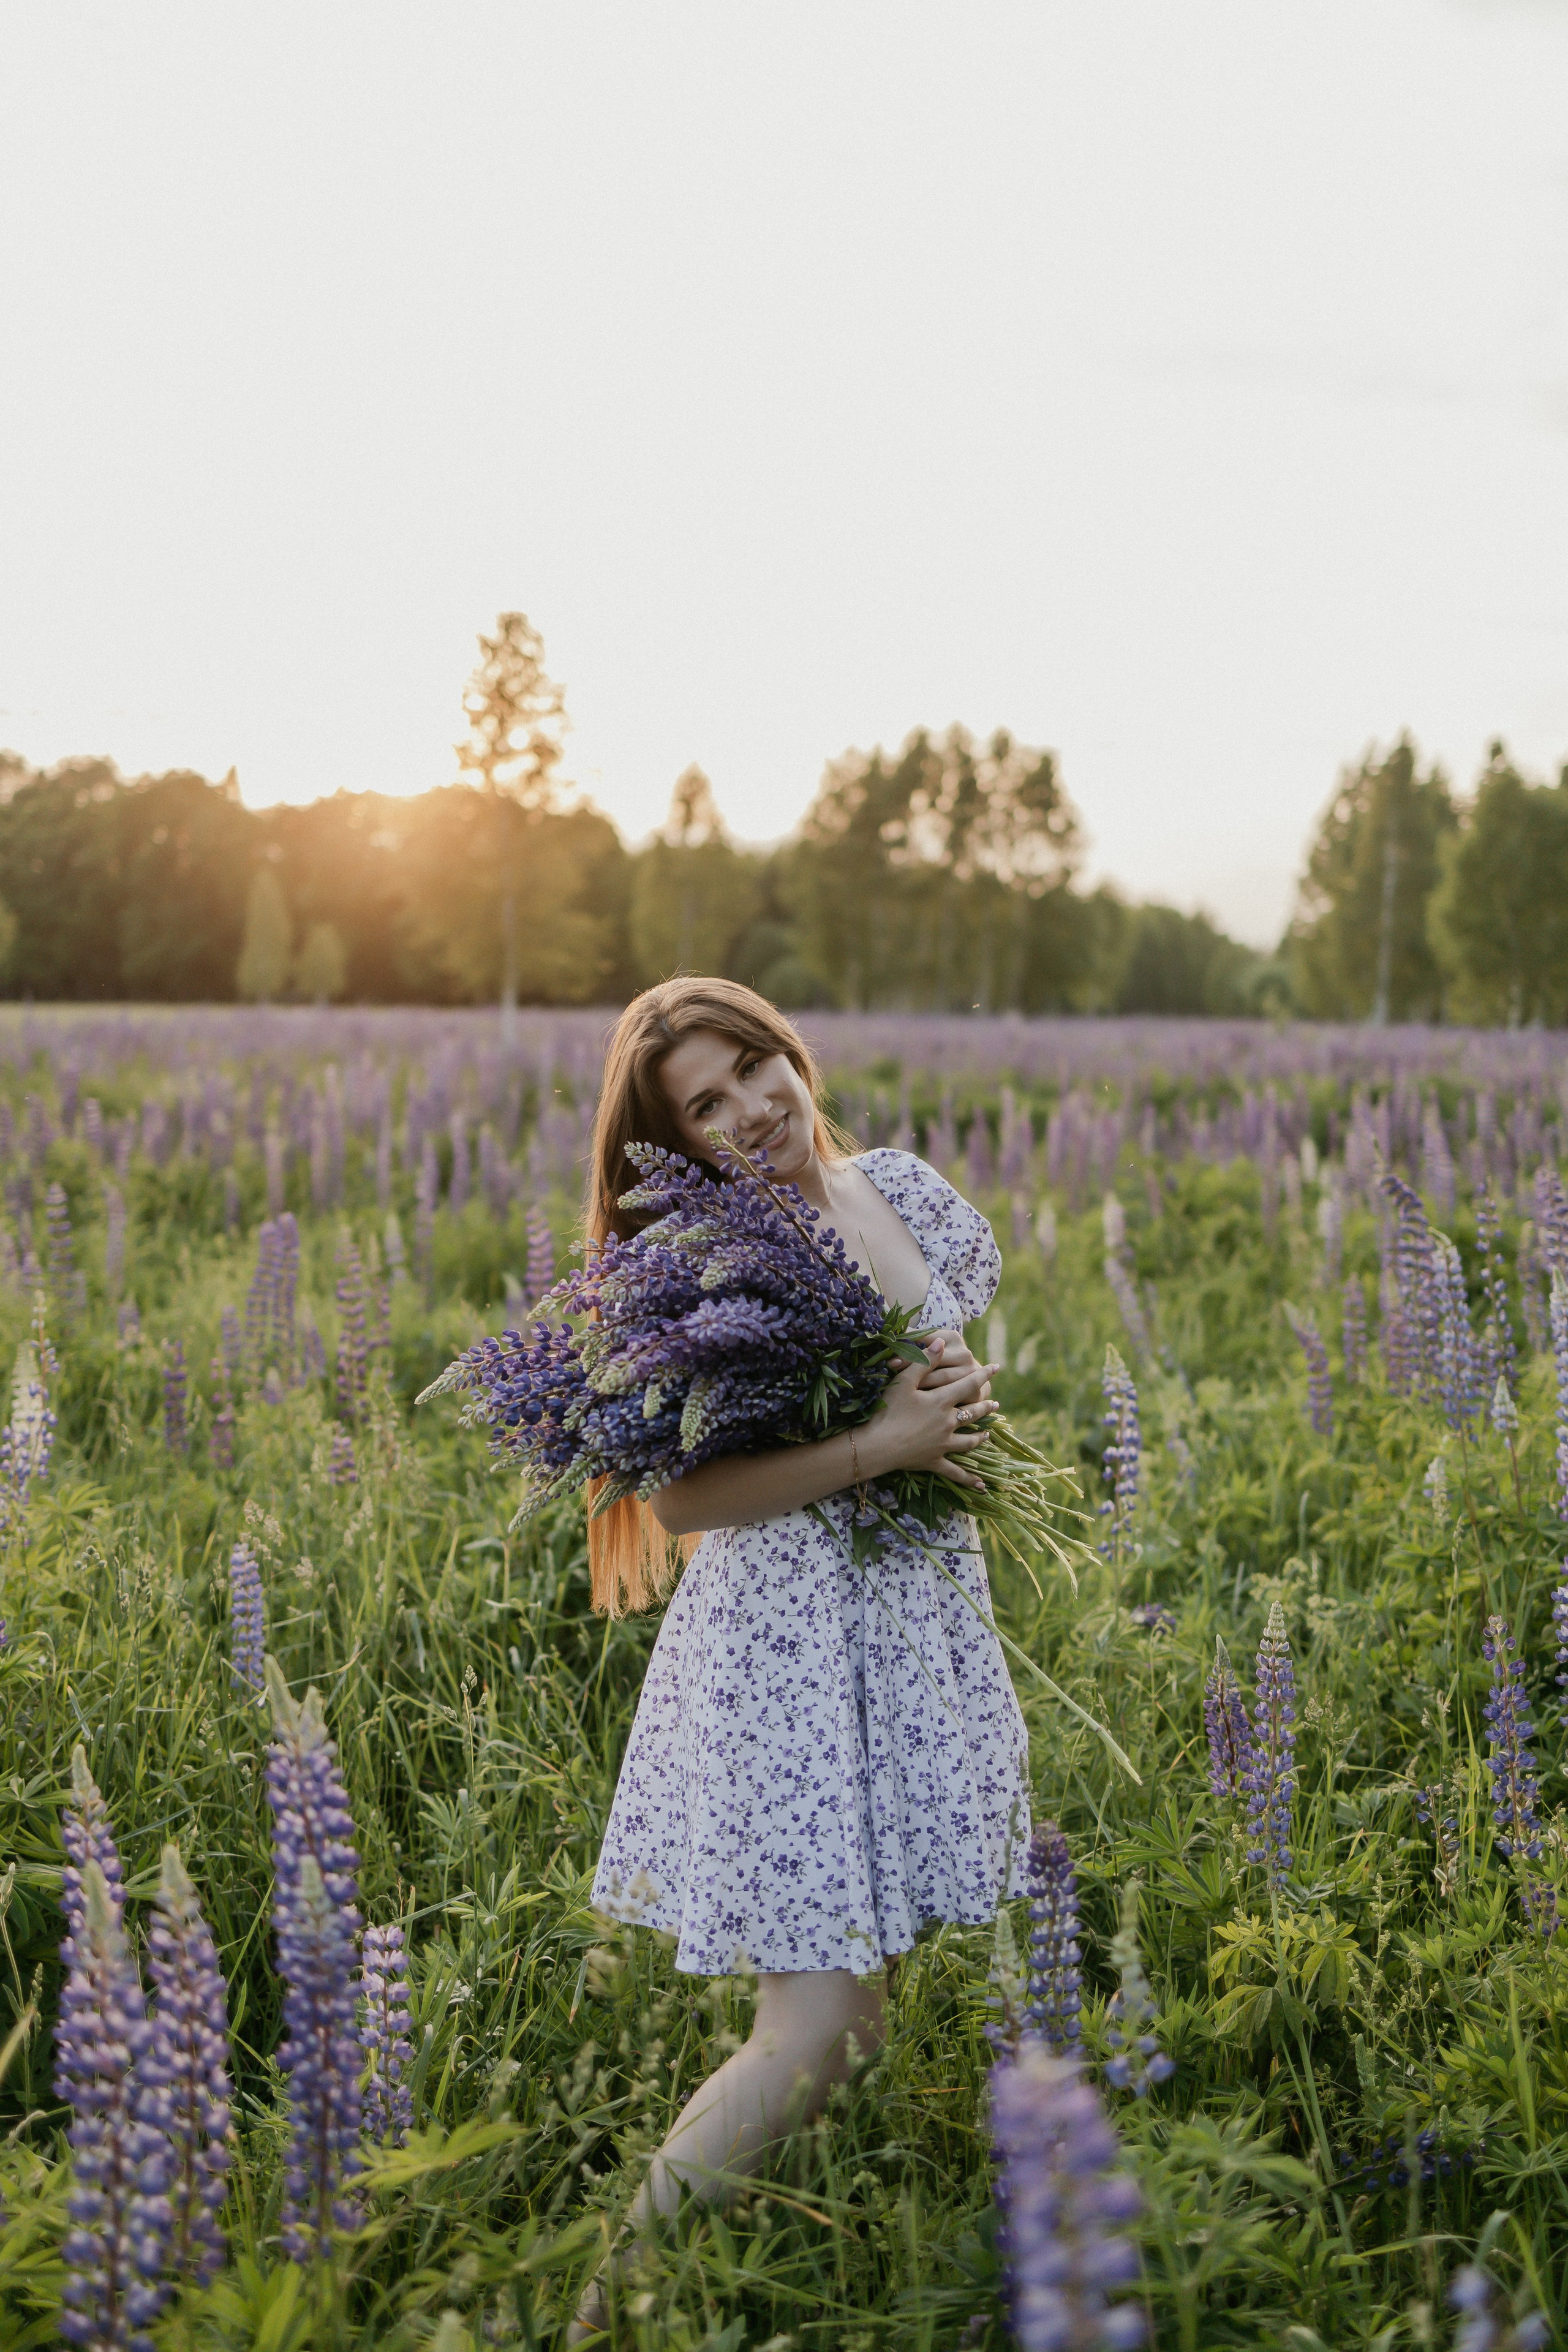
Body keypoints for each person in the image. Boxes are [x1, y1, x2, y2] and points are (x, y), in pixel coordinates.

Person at [570, 978, 1029, 2341]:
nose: (747, 1112)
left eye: (750, 1069)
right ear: (675, 1142)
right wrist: (882, 1445)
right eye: (701, 1106)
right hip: (786, 1649)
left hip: (908, 1621)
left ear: (787, 1052)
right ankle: (604, 2306)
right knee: (810, 2022)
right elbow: (683, 1503)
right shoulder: (702, 1258)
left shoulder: (897, 1187)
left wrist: (951, 1412)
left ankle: (794, 2278)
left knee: (858, 2013)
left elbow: (934, 1368)